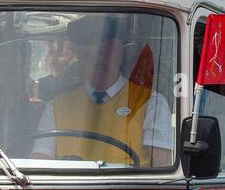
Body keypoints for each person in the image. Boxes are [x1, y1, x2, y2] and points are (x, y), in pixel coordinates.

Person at [32, 15, 174, 166]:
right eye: (91, 56)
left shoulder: (151, 103)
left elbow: (161, 169)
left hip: (129, 189)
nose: (100, 62)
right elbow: (41, 162)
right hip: (70, 189)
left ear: (120, 55)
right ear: (80, 58)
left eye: (107, 53)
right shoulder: (57, 106)